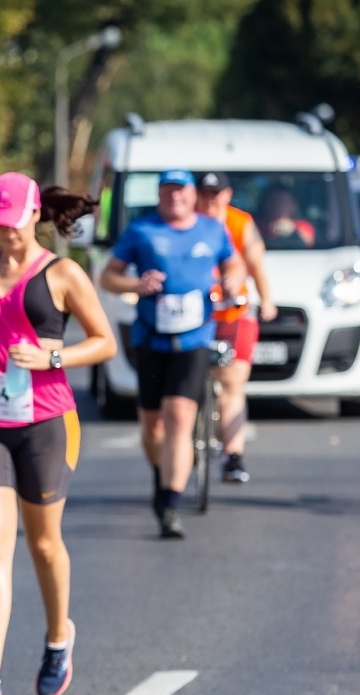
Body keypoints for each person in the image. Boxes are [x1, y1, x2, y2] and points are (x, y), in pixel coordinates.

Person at [0, 175, 116, 695]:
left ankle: (59, 635)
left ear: (35, 215)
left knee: (43, 544)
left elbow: (104, 341)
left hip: (46, 420)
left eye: (14, 225)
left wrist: (53, 357)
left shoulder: (63, 274)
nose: (6, 234)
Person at [100, 170, 245, 539]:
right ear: (160, 195)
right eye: (167, 192)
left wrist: (231, 278)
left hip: (194, 340)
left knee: (180, 416)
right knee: (153, 425)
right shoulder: (142, 231)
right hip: (152, 341)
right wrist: (135, 284)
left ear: (193, 196)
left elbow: (234, 262)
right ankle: (163, 471)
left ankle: (169, 503)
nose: (174, 199)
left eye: (181, 192)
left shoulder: (212, 229)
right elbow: (108, 277)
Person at [198, 172, 277, 484]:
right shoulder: (186, 223)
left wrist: (267, 300)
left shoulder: (240, 223)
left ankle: (232, 455)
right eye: (205, 193)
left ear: (227, 194)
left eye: (216, 193)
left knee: (232, 385)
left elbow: (256, 265)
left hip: (234, 313)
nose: (211, 199)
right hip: (196, 317)